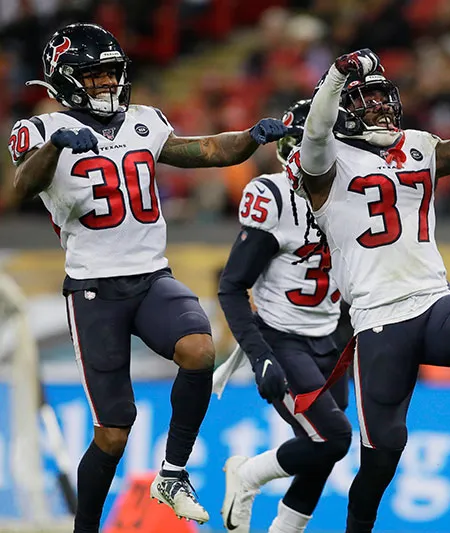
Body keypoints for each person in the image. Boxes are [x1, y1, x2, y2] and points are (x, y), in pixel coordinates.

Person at [7, 23, 293, 531]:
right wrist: (56, 148)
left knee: (199, 349)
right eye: (94, 76)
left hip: (151, 277)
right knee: (114, 433)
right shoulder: (41, 131)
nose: (107, 85)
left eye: (112, 74)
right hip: (94, 289)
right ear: (67, 79)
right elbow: (20, 187)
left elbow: (204, 150)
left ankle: (173, 472)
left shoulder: (142, 121)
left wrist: (250, 139)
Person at [289, 49, 450, 532]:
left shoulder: (418, 146)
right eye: (369, 99)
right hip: (378, 317)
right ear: (345, 108)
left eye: (386, 98)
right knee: (381, 459)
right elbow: (316, 132)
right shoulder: (324, 162)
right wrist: (337, 76)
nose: (383, 108)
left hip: (432, 299)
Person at [213, 100, 352, 533]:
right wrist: (260, 356)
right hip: (283, 337)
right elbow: (232, 286)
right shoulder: (273, 197)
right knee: (333, 438)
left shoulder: (355, 194)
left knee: (321, 444)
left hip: (329, 334)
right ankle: (248, 475)